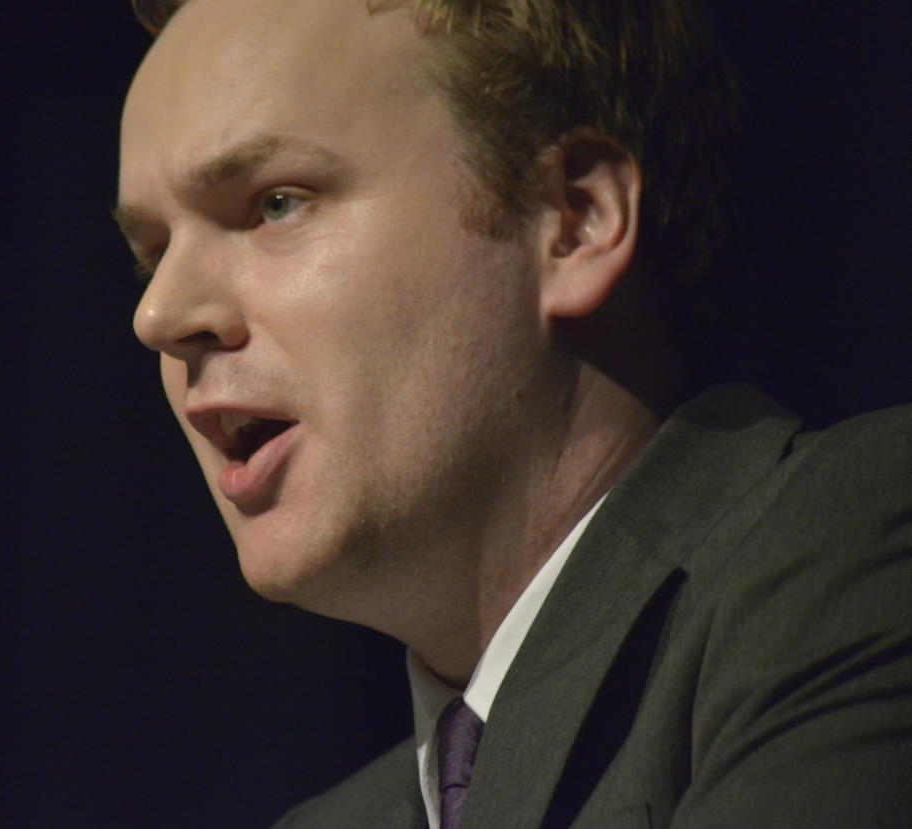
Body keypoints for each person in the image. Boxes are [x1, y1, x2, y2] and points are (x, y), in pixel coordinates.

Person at [113, 0, 912, 825]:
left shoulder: (861, 552)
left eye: (276, 202)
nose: (160, 316)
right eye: (150, 254)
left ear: (573, 220)